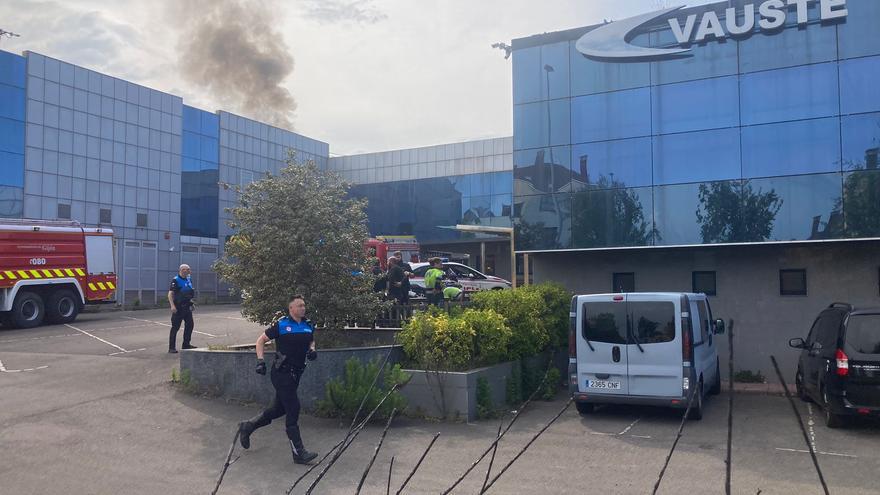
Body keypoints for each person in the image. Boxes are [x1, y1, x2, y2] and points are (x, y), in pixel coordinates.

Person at [238, 295, 319, 464]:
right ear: (291, 309)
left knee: (278, 409)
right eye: (299, 306)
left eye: (304, 305)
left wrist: (312, 350)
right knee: (293, 408)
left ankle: (248, 426)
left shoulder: (308, 324)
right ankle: (298, 453)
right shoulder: (281, 325)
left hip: (296, 374)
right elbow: (260, 341)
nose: (303, 308)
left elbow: (311, 340)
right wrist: (260, 361)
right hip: (281, 373)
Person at [168, 264, 196, 353]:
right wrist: (172, 305)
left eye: (188, 269)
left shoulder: (189, 279)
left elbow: (189, 292)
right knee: (175, 327)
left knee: (190, 325)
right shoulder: (176, 280)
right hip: (178, 307)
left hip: (187, 307)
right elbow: (170, 294)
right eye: (187, 269)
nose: (188, 271)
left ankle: (186, 344)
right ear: (182, 270)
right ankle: (171, 348)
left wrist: (192, 303)